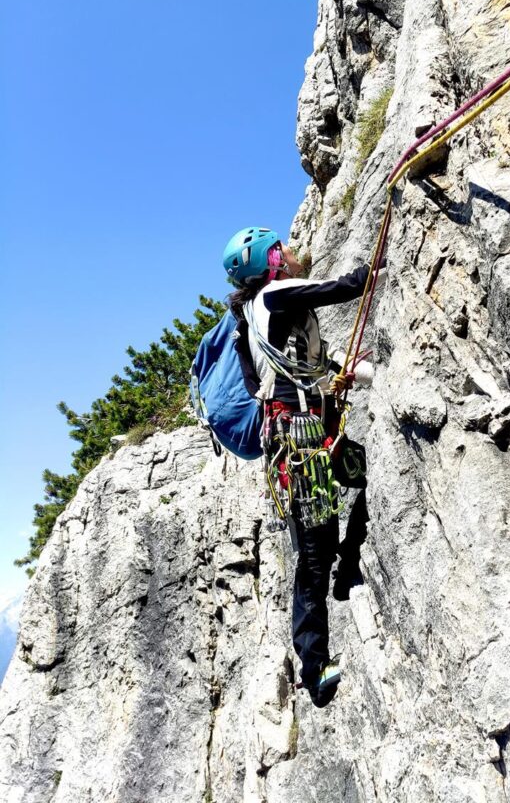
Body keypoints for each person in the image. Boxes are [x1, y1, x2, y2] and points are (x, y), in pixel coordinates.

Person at [223, 226, 374, 707]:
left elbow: (266, 379)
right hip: (299, 435)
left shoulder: (250, 318)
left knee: (318, 539)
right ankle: (313, 666)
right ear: (271, 262)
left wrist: (331, 380)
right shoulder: (273, 296)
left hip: (291, 434)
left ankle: (319, 645)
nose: (289, 252)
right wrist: (379, 264)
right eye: (279, 248)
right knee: (312, 550)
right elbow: (346, 286)